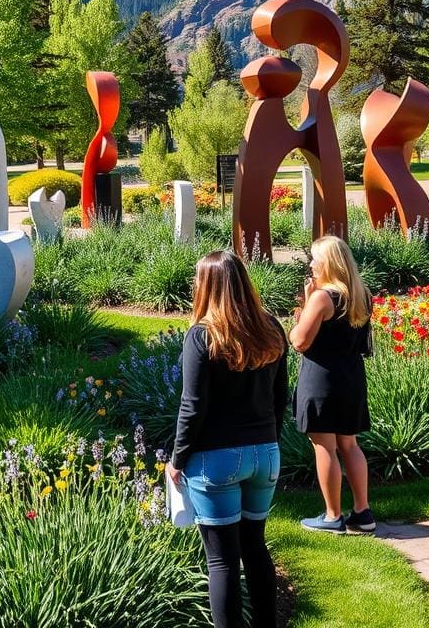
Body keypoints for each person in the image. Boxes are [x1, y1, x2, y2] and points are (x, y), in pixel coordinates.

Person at [167, 250, 287, 628]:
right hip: (265, 453)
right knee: (255, 548)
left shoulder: (202, 335)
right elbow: (281, 395)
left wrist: (177, 459)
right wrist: (269, 440)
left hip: (215, 459)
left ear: (206, 286)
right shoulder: (271, 327)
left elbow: (193, 406)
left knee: (221, 561)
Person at [290, 235, 373, 534]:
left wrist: (304, 305)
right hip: (351, 375)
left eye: (315, 259)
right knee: (349, 444)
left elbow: (299, 340)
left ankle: (332, 516)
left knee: (323, 444)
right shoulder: (361, 293)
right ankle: (363, 513)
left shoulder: (323, 297)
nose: (311, 264)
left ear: (329, 263)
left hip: (322, 378)